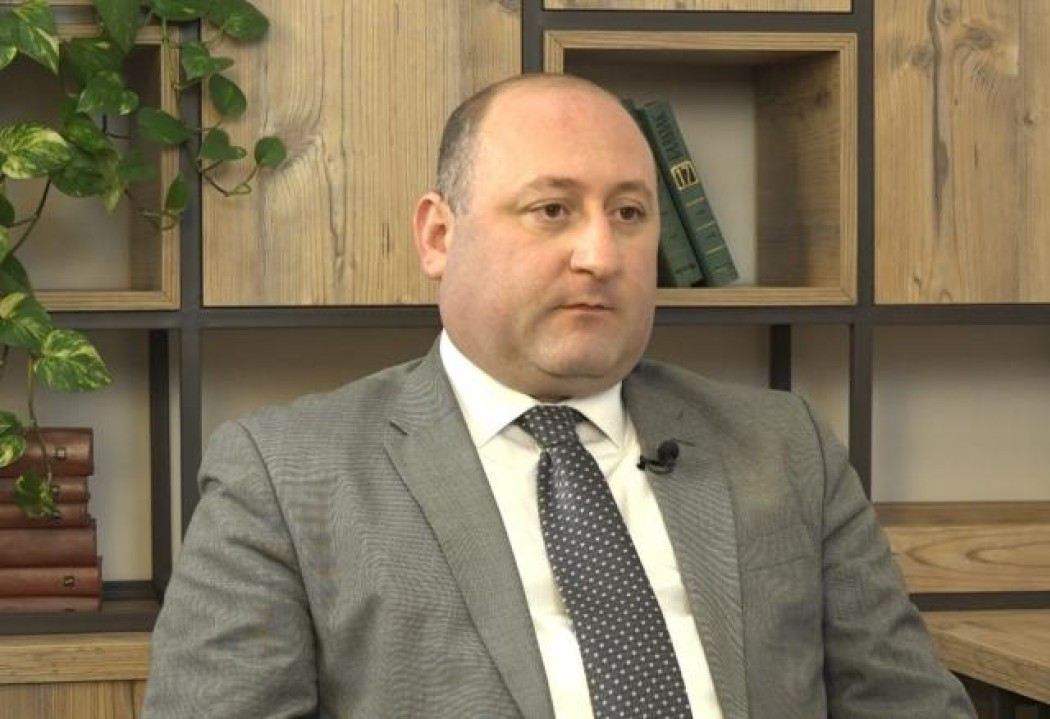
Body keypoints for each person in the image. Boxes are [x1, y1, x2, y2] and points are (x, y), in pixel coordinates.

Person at [144, 73, 975, 718]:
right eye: (552, 209)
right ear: (438, 235)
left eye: (629, 213)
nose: (600, 255)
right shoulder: (284, 477)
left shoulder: (784, 445)